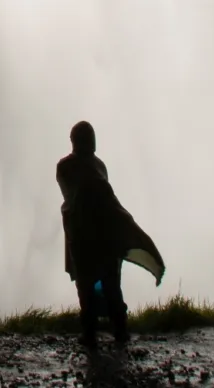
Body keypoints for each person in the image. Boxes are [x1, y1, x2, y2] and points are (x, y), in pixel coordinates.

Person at [57, 120, 164, 351]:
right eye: (88, 137)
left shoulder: (94, 166)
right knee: (90, 286)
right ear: (77, 141)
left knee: (108, 285)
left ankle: (116, 330)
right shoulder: (67, 166)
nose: (92, 142)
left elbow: (99, 197)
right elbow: (78, 195)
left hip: (99, 236)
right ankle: (95, 332)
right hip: (86, 237)